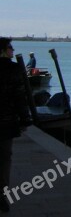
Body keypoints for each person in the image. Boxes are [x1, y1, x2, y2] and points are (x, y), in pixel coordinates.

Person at [0, 38, 32, 213]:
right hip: (5, 122)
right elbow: (20, 97)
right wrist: (25, 119)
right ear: (4, 50)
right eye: (10, 48)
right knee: (4, 158)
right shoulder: (13, 69)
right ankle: (2, 195)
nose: (13, 51)